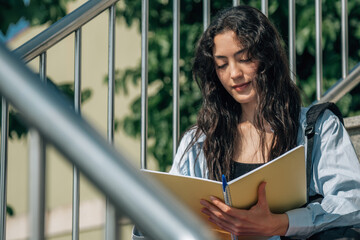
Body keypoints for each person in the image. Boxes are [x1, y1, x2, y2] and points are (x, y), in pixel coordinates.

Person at [168, 5, 360, 240]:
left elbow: (352, 202)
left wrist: (283, 224)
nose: (234, 74)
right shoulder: (199, 141)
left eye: (244, 58)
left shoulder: (317, 128)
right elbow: (167, 211)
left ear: (266, 57)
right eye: (222, 65)